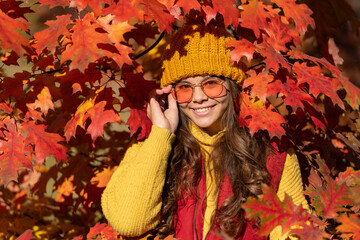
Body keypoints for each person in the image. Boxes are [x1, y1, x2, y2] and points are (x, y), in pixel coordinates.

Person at [101, 23, 308, 240]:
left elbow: (295, 232)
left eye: (210, 84)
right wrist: (161, 134)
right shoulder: (155, 147)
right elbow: (129, 223)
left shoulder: (272, 154)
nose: (198, 97)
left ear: (232, 86)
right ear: (171, 95)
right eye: (184, 87)